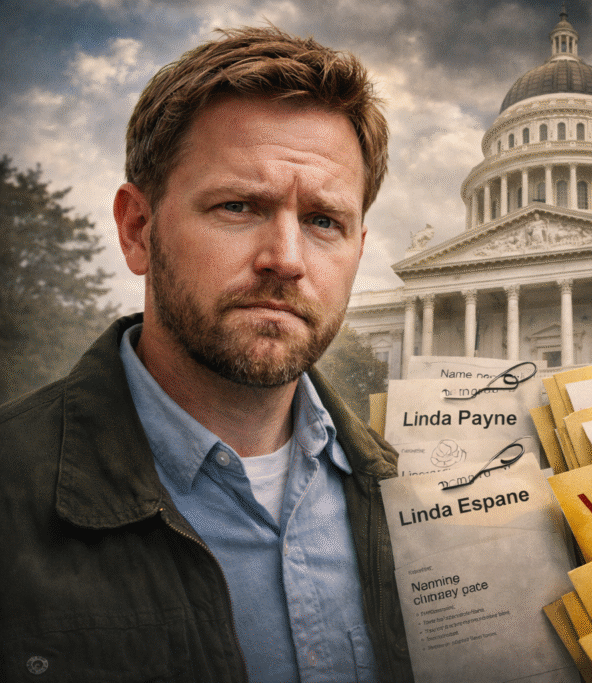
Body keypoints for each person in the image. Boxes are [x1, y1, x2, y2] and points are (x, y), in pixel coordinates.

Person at [0, 26, 414, 682]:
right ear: (138, 229)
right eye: (238, 206)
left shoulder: (424, 499)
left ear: (359, 251)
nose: (285, 258)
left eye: (323, 221)